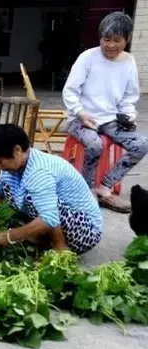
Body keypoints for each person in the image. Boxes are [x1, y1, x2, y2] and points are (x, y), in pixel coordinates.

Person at [62, 11, 148, 213]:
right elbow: (70, 91)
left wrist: (128, 117)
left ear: (127, 39)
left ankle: (105, 186)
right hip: (81, 118)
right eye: (105, 39)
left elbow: (129, 96)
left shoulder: (129, 62)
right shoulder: (88, 58)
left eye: (116, 40)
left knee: (142, 144)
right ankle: (87, 189)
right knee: (94, 144)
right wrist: (80, 113)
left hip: (110, 120)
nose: (110, 45)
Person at [0, 124, 103, 255]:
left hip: (84, 230)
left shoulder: (39, 172)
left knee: (33, 199)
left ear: (17, 150)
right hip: (64, 220)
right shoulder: (21, 163)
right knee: (9, 186)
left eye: (0, 162)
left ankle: (60, 249)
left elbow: (49, 218)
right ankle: (42, 239)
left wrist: (9, 236)